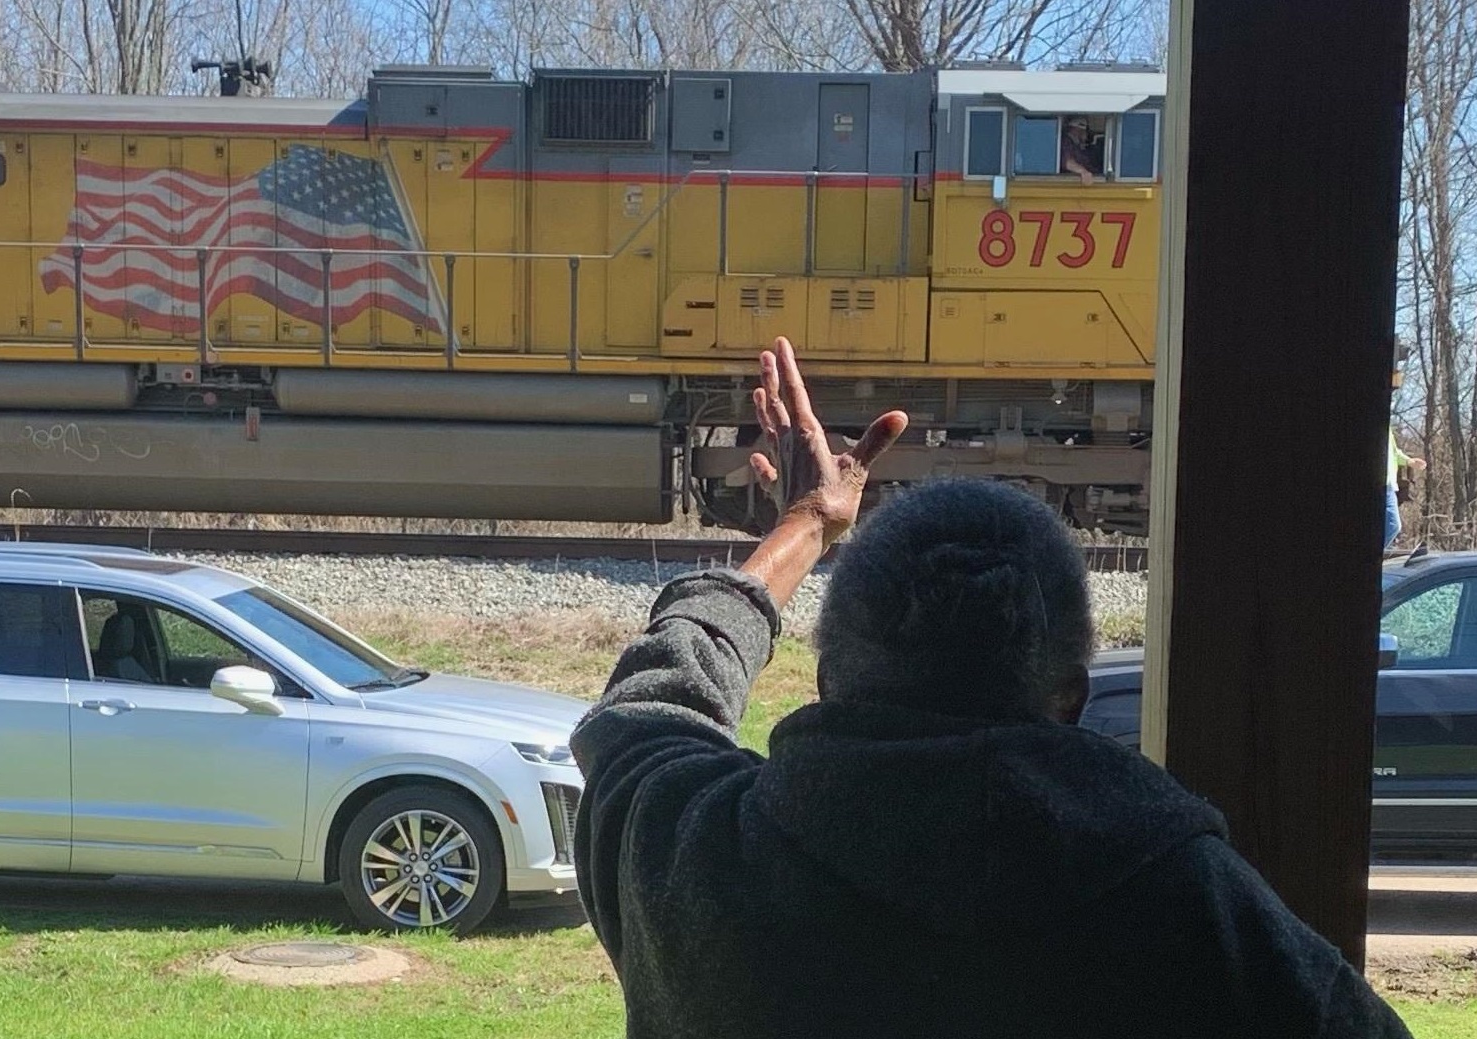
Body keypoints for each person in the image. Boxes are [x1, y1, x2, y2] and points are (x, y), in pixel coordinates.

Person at [569, 338, 1414, 1039]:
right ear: (1071, 699)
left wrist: (804, 527)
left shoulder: (693, 857)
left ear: (827, 683)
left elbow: (654, 703)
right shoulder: (1192, 902)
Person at [1386, 426, 1425, 549]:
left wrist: (1409, 461)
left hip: (1389, 486)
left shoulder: (1389, 430)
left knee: (1394, 525)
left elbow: (1394, 452)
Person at [1062, 116, 1102, 184]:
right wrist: (1083, 171)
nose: (1086, 134)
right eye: (1085, 131)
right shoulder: (1066, 142)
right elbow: (1067, 163)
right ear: (1077, 129)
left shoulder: (1077, 145)